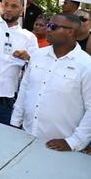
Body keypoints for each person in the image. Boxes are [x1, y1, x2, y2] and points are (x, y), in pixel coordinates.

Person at [10, 13, 91, 152]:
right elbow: (25, 89)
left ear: (70, 31)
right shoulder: (37, 55)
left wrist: (73, 142)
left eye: (53, 26)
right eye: (48, 25)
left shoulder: (86, 65)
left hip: (60, 148)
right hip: (25, 135)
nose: (47, 29)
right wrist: (15, 122)